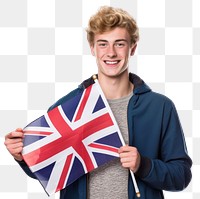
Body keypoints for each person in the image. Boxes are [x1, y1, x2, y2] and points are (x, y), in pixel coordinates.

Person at [4, 6, 192, 199]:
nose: (110, 53)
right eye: (103, 44)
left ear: (132, 48)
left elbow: (181, 176)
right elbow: (48, 170)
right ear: (92, 48)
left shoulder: (159, 107)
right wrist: (22, 156)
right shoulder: (69, 106)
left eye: (119, 44)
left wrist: (143, 165)